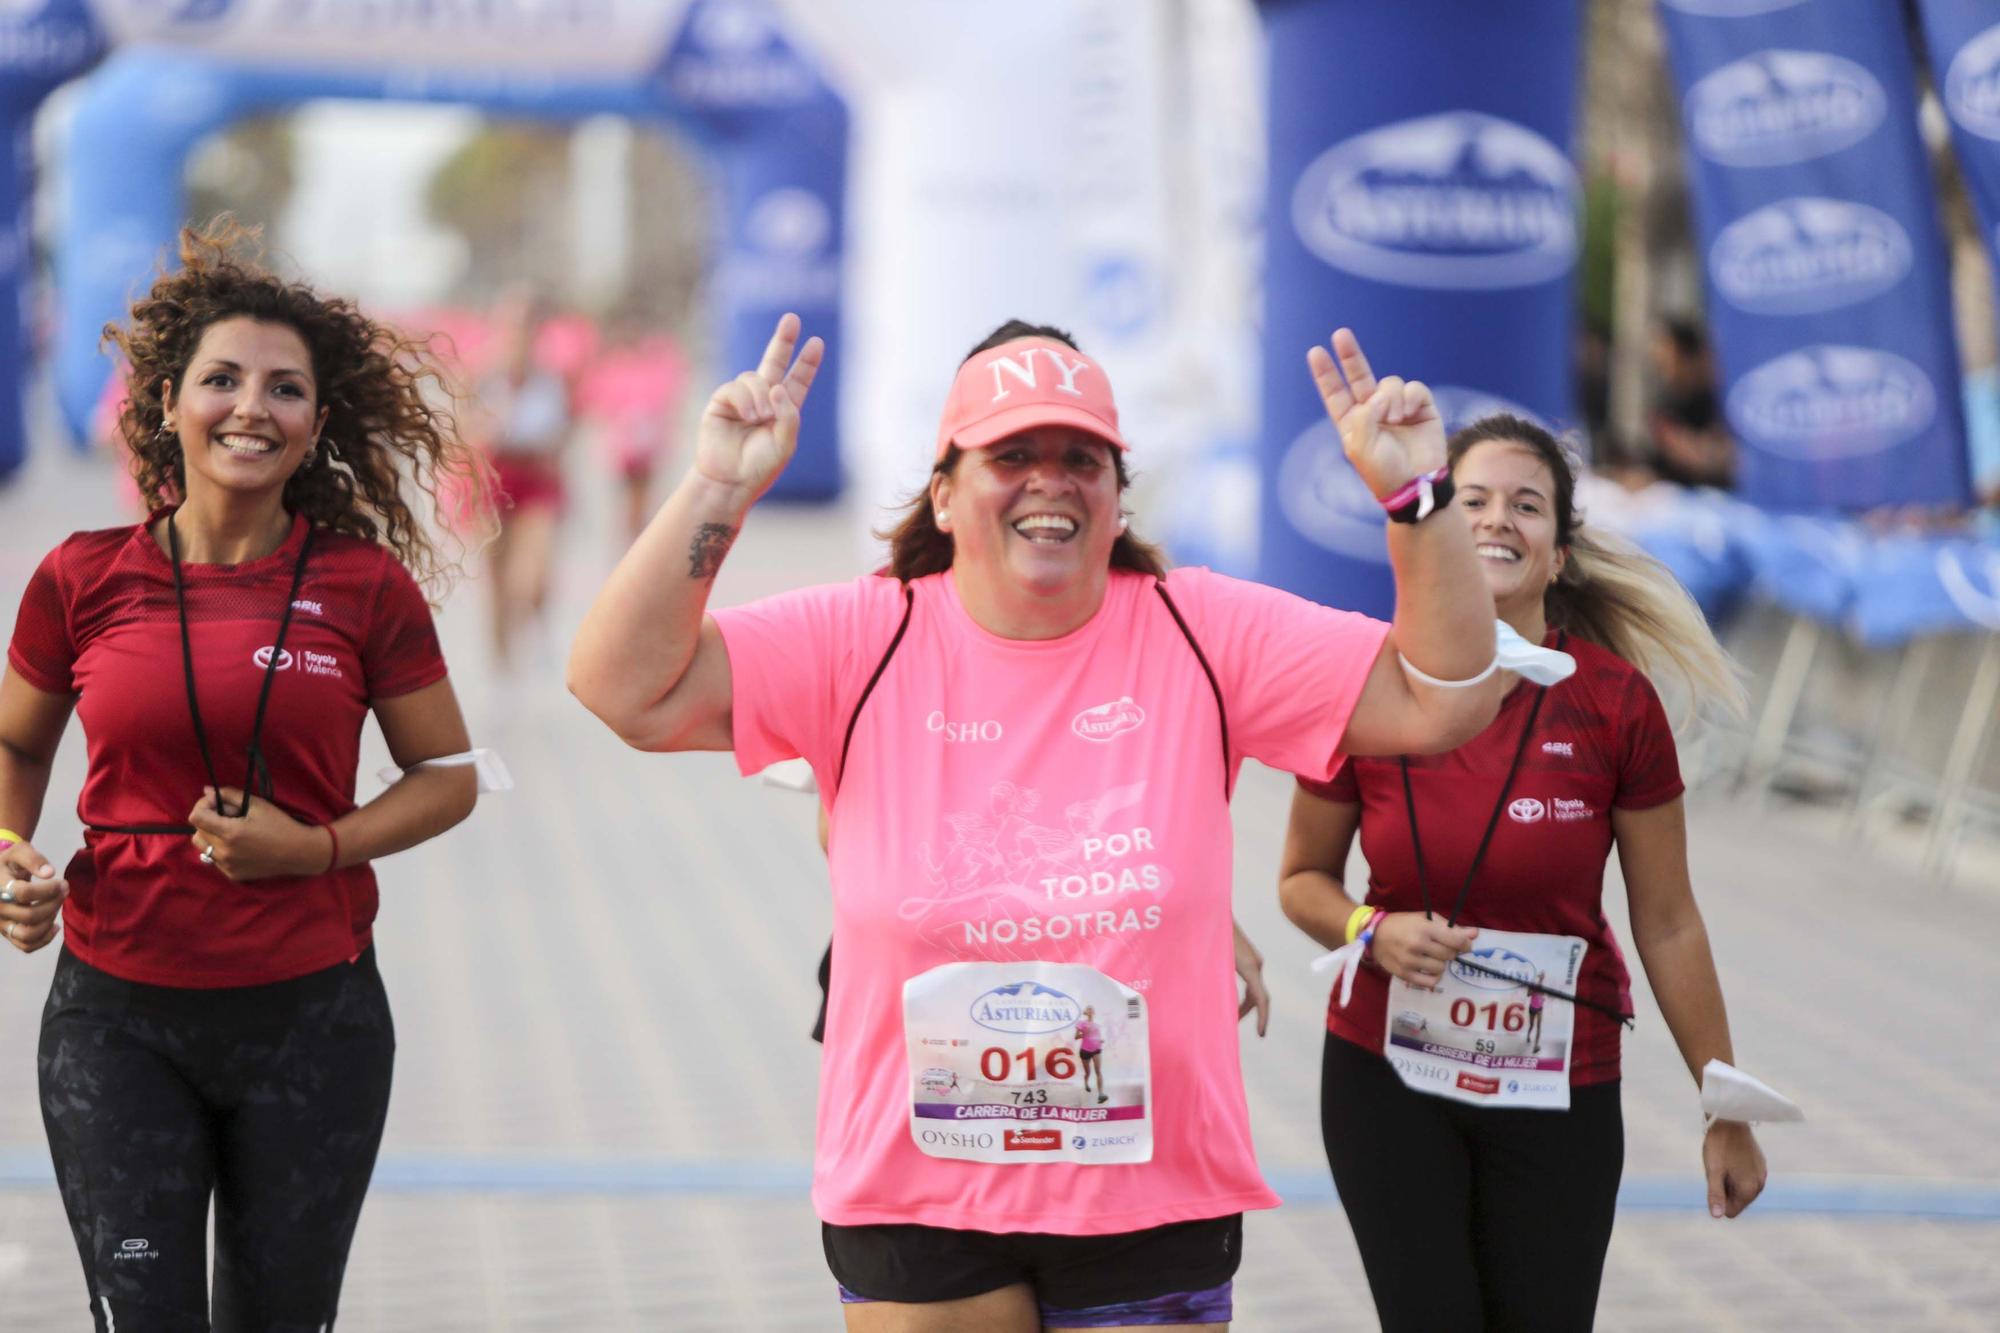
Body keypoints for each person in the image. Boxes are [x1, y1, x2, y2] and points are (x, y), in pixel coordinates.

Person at [570, 310, 1508, 1331]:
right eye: (1010, 454)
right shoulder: (861, 634)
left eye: (1080, 457)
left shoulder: (1202, 627)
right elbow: (622, 689)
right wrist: (719, 486)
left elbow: (1444, 698)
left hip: (1146, 1189)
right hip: (918, 1187)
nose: (1049, 479)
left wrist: (1418, 498)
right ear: (944, 492)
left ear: (1114, 498)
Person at [0, 219, 490, 1332]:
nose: (250, 408)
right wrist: (8, 850)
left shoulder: (362, 587)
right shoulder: (80, 576)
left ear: (317, 424)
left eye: (285, 389)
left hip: (312, 1020)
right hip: (116, 1020)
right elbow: (18, 742)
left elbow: (449, 773)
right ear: (167, 403)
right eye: (221, 380)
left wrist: (315, 846)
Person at [1278, 412, 1768, 1333]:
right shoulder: (1366, 682)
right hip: (1388, 1078)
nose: (1498, 520)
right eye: (1471, 502)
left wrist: (1725, 1102)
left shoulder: (1617, 705)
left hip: (1561, 1085)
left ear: (1559, 554)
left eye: (1527, 505)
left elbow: (1667, 920)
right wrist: (1369, 934)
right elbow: (1302, 879)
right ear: (1434, 532)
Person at [474, 284, 574, 673]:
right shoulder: (481, 374)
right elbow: (459, 428)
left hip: (537, 483)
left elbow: (567, 431)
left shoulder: (552, 378)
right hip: (492, 482)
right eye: (512, 323)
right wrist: (484, 426)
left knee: (533, 574)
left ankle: (536, 622)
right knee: (496, 580)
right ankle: (502, 664)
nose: (519, 332)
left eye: (527, 323)